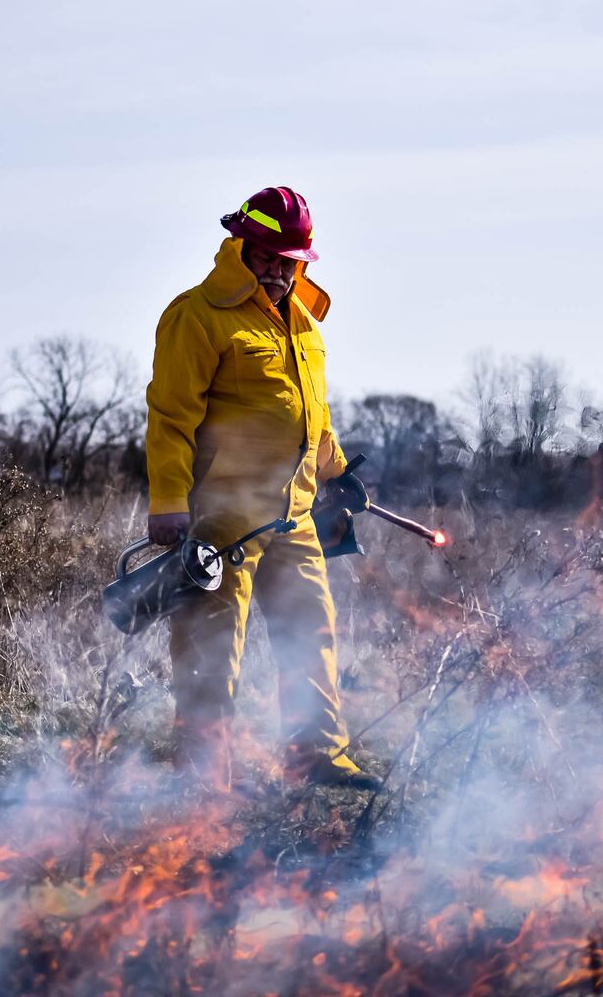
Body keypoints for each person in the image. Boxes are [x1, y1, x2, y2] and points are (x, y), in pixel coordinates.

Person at [144, 186, 381, 792]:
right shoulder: (196, 315)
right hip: (223, 518)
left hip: (295, 514)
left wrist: (338, 471)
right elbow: (170, 419)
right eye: (269, 257)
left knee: (313, 632)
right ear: (241, 246)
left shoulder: (304, 324)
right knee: (212, 646)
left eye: (290, 260)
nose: (279, 271)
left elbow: (310, 417)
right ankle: (203, 773)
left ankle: (317, 754)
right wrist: (169, 504)